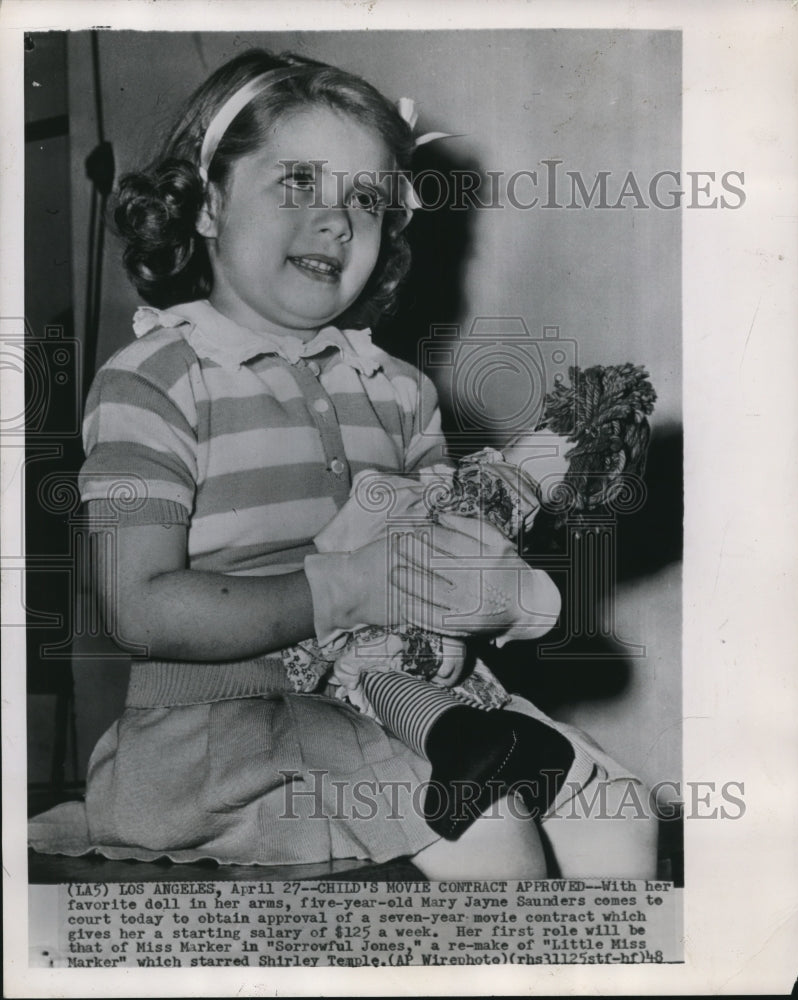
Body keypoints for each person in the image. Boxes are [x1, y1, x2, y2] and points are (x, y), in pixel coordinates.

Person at [29, 49, 657, 878]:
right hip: (233, 723)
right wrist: (348, 587)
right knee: (490, 833)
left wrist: (503, 596)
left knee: (620, 814)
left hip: (414, 694)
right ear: (209, 204)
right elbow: (139, 610)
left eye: (366, 197)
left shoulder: (397, 390)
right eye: (298, 183)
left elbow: (451, 553)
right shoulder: (151, 380)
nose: (337, 219)